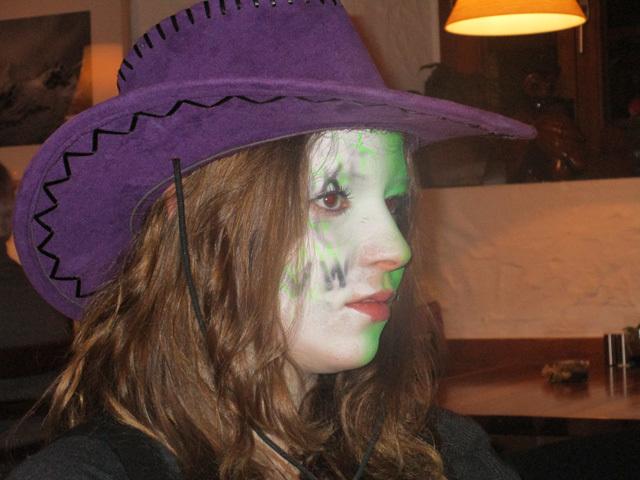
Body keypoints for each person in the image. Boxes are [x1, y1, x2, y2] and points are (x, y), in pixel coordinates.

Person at [8, 2, 534, 479]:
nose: (397, 250)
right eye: (332, 199)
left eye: (394, 205)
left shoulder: (441, 454)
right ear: (193, 223)